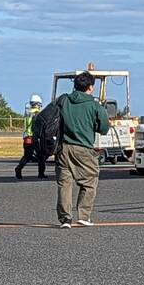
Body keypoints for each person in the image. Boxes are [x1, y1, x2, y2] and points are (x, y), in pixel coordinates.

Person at [56, 70, 109, 227]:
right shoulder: (94, 105)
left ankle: (65, 218)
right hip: (84, 148)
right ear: (91, 87)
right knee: (89, 181)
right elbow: (104, 127)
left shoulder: (63, 100)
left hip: (63, 148)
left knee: (64, 183)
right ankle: (84, 215)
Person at [15, 93, 46, 179]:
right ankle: (41, 173)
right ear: (37, 104)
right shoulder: (37, 113)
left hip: (26, 137)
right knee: (41, 156)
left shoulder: (27, 112)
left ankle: (19, 168)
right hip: (34, 137)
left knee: (27, 156)